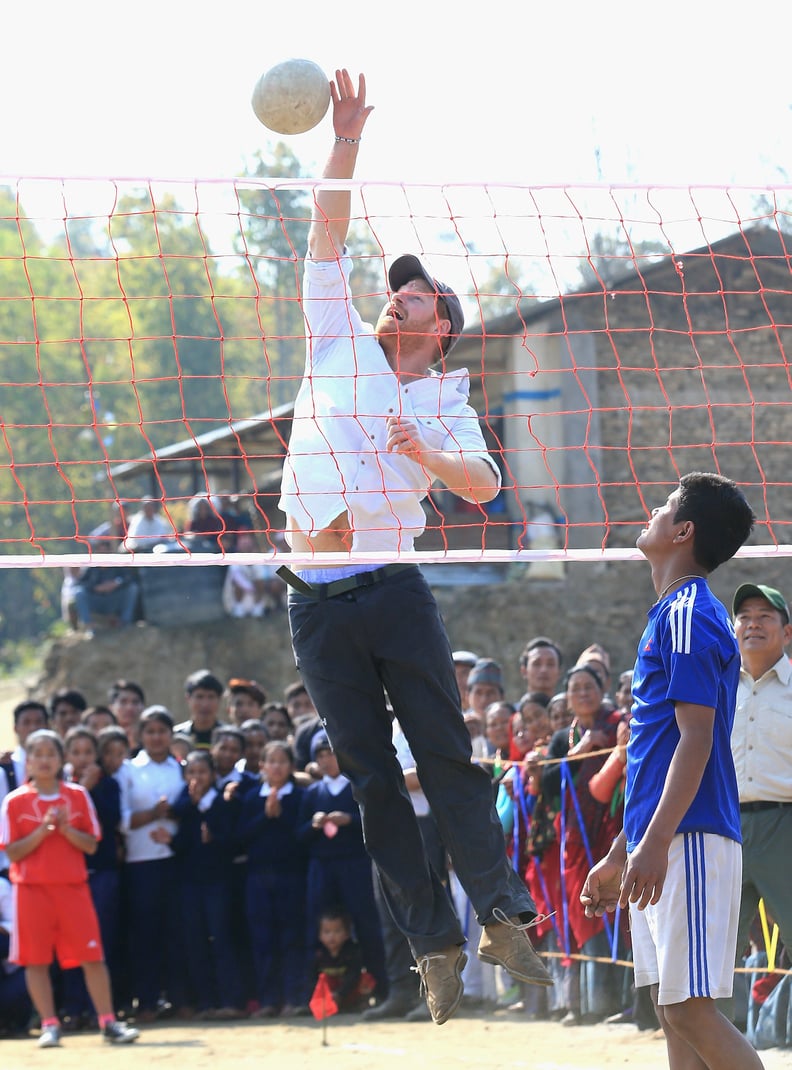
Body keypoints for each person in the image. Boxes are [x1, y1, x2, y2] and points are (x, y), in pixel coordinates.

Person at [275, 67, 551, 1026]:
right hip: (314, 594)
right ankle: (432, 942)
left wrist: (420, 447)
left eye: (419, 297)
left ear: (444, 329)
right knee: (372, 780)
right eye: (397, 294)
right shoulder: (337, 340)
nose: (399, 301)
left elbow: (485, 487)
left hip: (393, 586)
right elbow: (325, 232)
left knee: (445, 757)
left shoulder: (447, 397)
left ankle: (502, 914)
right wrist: (344, 141)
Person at [580, 472, 762, 1070]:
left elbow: (697, 738)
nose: (650, 512)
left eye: (662, 506)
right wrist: (623, 850)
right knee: (672, 1013)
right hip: (666, 838)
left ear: (683, 531)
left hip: (691, 837)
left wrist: (655, 844)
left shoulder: (689, 612)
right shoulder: (669, 614)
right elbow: (656, 755)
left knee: (689, 1010)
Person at [0, 729, 138, 1047]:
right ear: (29, 761)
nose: (45, 760)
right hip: (31, 890)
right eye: (38, 754)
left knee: (92, 956)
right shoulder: (15, 801)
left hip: (73, 888)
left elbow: (91, 844)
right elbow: (13, 852)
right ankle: (49, 1024)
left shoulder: (77, 795)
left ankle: (108, 1021)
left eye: (51, 754)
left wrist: (64, 829)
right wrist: (43, 831)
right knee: (35, 961)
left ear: (61, 759)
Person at [730, 582, 792, 1012]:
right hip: (723, 826)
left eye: (765, 616)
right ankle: (719, 1051)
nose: (753, 624)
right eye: (745, 617)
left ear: (787, 632)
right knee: (715, 953)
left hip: (784, 826)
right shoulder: (714, 689)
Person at [297, 732, 387, 1003]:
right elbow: (298, 835)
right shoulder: (313, 793)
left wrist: (349, 819)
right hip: (322, 869)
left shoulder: (355, 787)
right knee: (319, 928)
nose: (326, 761)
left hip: (355, 866)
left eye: (331, 753)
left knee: (366, 926)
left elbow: (374, 823)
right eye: (321, 756)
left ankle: (379, 989)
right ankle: (316, 994)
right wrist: (312, 825)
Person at [120, 706, 187, 1021]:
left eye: (162, 731)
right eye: (151, 732)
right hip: (141, 860)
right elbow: (122, 820)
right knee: (145, 934)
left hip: (175, 859)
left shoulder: (181, 769)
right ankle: (145, 1002)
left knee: (176, 933)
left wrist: (172, 816)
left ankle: (178, 998)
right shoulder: (129, 770)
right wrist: (153, 815)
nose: (157, 737)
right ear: (139, 736)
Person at [237, 740, 307, 1018]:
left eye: (282, 761)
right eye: (271, 761)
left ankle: (293, 998)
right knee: (263, 940)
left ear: (291, 766)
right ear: (262, 766)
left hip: (291, 876)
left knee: (292, 938)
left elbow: (302, 835)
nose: (276, 766)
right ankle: (268, 1000)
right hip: (257, 878)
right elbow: (240, 836)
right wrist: (265, 817)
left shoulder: (300, 797)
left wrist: (281, 816)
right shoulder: (252, 797)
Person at [310, 908, 376, 1014]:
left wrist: (340, 993)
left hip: (348, 990)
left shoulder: (352, 952)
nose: (332, 936)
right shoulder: (318, 955)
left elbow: (354, 975)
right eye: (327, 932)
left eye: (337, 931)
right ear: (320, 935)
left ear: (347, 933)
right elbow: (311, 978)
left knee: (366, 978)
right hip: (327, 994)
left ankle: (361, 1003)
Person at [72, 538, 139, 631]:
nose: (103, 554)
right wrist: (96, 588)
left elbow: (129, 577)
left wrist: (116, 583)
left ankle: (125, 622)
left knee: (132, 588)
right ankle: (89, 626)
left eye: (105, 551)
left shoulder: (118, 565)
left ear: (110, 552)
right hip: (97, 601)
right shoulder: (91, 568)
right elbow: (81, 583)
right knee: (78, 593)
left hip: (114, 600)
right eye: (100, 552)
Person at [174, 669, 225, 749]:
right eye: (199, 697)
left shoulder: (229, 738)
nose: (205, 704)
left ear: (220, 699)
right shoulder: (176, 736)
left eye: (211, 697)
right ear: (188, 699)